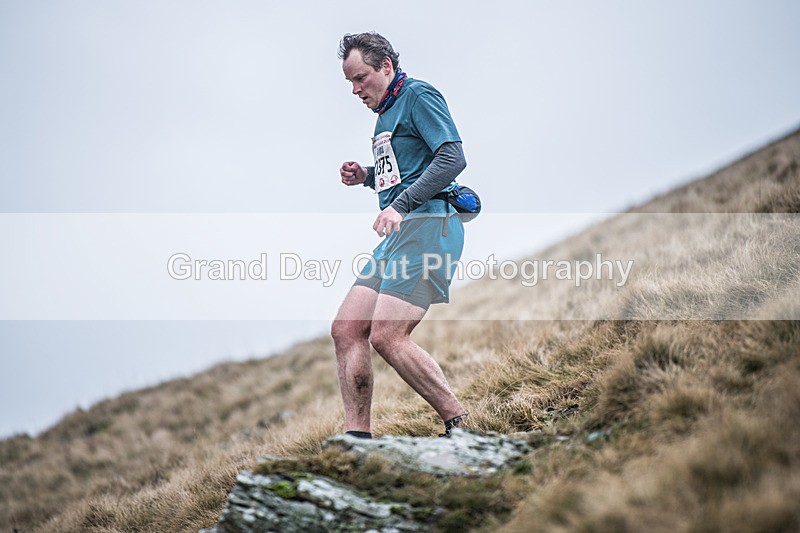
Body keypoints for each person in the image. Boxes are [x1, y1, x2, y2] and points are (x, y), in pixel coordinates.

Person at [331, 32, 469, 438]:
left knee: (388, 335)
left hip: (429, 226)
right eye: (350, 83)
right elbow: (403, 173)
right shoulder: (385, 115)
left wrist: (401, 205)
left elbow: (452, 156)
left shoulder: (418, 95)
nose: (356, 90)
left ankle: (459, 425)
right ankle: (357, 438)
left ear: (386, 66)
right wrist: (367, 178)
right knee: (347, 328)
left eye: (361, 78)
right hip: (398, 235)